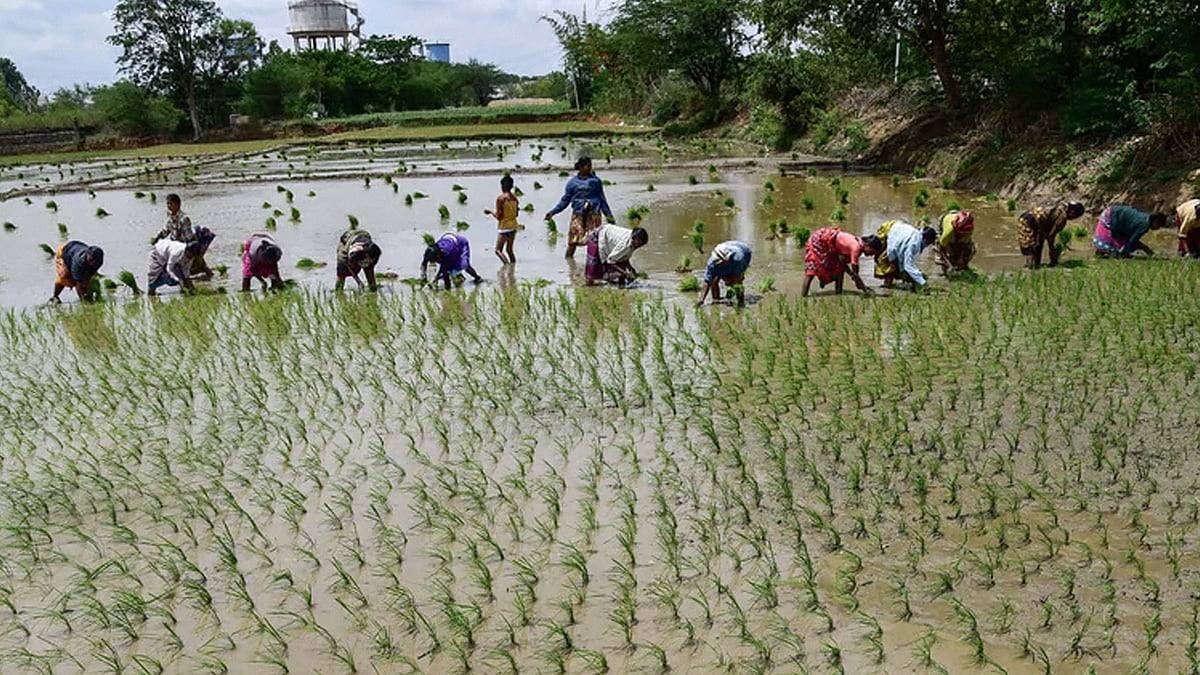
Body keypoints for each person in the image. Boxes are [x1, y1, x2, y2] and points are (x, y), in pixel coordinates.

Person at [543, 156, 615, 259]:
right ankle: (569, 263)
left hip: (593, 215)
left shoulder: (596, 181)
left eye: (590, 165)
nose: (589, 167)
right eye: (587, 165)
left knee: (594, 243)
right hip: (578, 215)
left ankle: (593, 266)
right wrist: (553, 212)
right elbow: (565, 200)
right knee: (572, 242)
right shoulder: (572, 183)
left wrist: (609, 216)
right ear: (581, 167)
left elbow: (602, 200)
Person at [803, 228, 882, 297]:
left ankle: (838, 293)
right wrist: (863, 288)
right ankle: (804, 297)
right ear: (868, 245)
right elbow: (856, 274)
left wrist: (853, 276)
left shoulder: (858, 244)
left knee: (839, 269)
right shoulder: (856, 248)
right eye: (872, 252)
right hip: (819, 241)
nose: (871, 255)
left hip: (830, 244)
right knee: (811, 271)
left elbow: (843, 264)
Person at [1016, 202, 1085, 268]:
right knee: (1029, 248)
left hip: (1036, 222)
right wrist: (1053, 256)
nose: (1073, 219)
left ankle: (1036, 266)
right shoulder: (1062, 217)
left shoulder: (1062, 206)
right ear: (1072, 212)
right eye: (1075, 217)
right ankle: (1030, 269)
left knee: (1039, 244)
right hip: (1027, 222)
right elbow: (1051, 237)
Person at [147, 229, 215, 296]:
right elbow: (169, 269)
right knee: (155, 276)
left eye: (192, 256)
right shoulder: (176, 253)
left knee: (181, 275)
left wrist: (190, 285)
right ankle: (151, 293)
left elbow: (186, 269)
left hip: (168, 257)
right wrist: (178, 280)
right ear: (187, 251)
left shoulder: (191, 256)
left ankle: (187, 291)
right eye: (190, 255)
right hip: (158, 254)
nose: (190, 258)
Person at [873, 220, 937, 291]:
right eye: (928, 243)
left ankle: (888, 286)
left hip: (894, 227)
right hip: (888, 232)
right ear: (926, 240)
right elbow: (908, 266)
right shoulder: (914, 244)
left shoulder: (916, 234)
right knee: (887, 263)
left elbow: (902, 255)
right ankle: (887, 287)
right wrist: (922, 282)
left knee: (894, 264)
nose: (927, 246)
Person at [1092, 205, 1168, 257]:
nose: (1158, 229)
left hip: (1110, 211)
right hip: (1111, 216)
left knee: (1117, 244)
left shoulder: (1145, 218)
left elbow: (1132, 239)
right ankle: (1100, 255)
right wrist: (1123, 254)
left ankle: (1099, 255)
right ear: (1155, 222)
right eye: (1158, 226)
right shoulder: (1144, 225)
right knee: (1109, 244)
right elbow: (1132, 240)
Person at [697, 241, 752, 307]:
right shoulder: (712, 263)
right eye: (717, 264)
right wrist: (701, 299)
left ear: (726, 260)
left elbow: (737, 279)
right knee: (714, 280)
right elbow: (707, 281)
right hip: (727, 246)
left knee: (736, 282)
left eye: (720, 263)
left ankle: (741, 303)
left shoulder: (738, 259)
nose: (718, 265)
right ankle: (716, 301)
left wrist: (730, 284)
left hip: (744, 251)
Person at [486, 175, 520, 265]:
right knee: (509, 250)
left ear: (502, 186)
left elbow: (499, 216)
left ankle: (507, 266)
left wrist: (490, 212)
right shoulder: (515, 199)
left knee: (498, 250)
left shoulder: (500, 199)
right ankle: (513, 267)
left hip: (504, 227)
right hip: (513, 226)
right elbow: (516, 214)